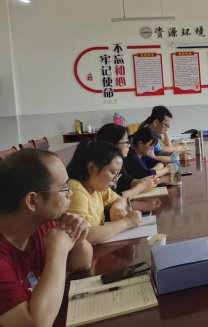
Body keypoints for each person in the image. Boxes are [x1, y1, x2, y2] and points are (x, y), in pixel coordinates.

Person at [0, 150, 93, 327]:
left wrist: (78, 238)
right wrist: (58, 249)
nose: (70, 194)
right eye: (64, 188)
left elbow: (83, 263)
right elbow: (35, 324)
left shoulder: (41, 222)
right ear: (32, 201)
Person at [66, 141, 142, 245]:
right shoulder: (75, 190)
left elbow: (119, 199)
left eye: (118, 174)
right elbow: (84, 236)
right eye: (113, 173)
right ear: (92, 168)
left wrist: (117, 207)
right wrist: (127, 222)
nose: (116, 179)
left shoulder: (96, 187)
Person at [97, 123, 159, 199]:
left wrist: (147, 181)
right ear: (112, 144)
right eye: (126, 142)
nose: (129, 146)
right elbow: (115, 198)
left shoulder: (117, 163)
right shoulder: (102, 168)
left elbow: (129, 182)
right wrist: (142, 185)